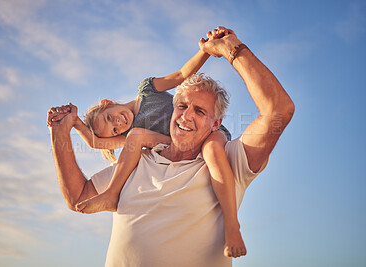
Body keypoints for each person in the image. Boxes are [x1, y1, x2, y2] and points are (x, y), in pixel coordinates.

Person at [48, 27, 294, 266]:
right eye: (182, 107)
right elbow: (79, 197)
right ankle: (112, 194)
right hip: (149, 152)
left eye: (199, 111)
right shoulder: (136, 157)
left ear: (215, 122)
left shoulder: (230, 161)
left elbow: (278, 111)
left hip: (215, 144)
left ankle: (233, 224)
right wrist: (63, 130)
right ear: (173, 107)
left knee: (212, 149)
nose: (186, 116)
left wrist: (229, 49)